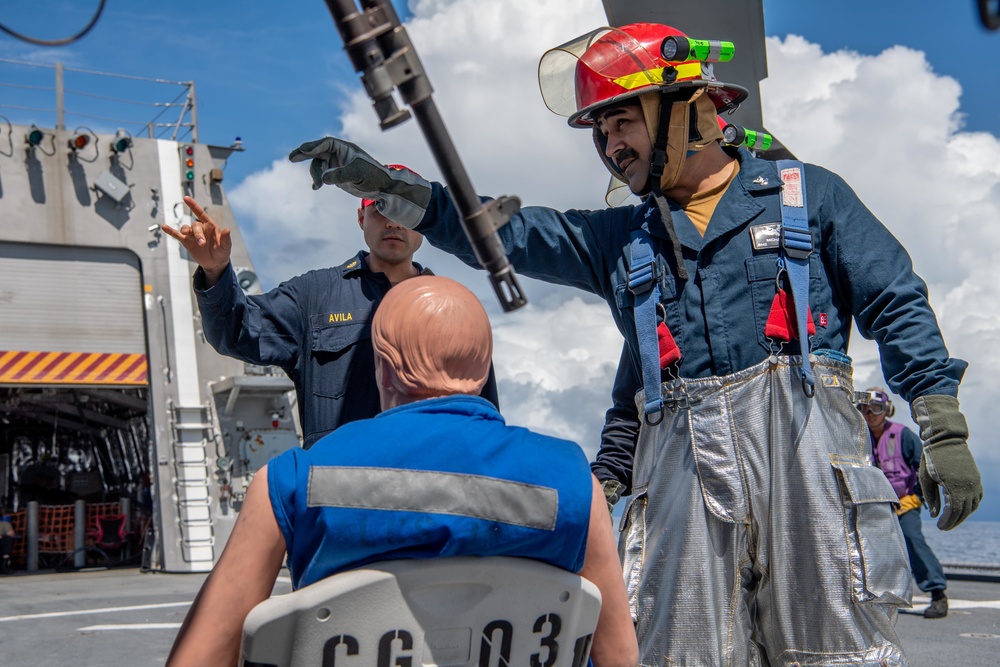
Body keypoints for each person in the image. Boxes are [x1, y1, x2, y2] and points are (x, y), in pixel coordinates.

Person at [288, 22, 983, 666]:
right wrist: (390, 188)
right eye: (601, 130)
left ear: (690, 109)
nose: (611, 144)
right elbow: (505, 235)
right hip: (684, 487)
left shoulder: (809, 198)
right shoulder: (625, 242)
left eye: (624, 120)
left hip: (810, 482)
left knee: (837, 653)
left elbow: (895, 298)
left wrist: (940, 421)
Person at [166, 275, 637, 667]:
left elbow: (200, 657)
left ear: (385, 369)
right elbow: (619, 657)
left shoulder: (291, 480)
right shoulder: (575, 483)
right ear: (482, 370)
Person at [160, 168, 499, 449]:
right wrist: (215, 272)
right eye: (382, 207)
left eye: (407, 212)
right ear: (361, 216)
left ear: (424, 224)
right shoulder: (314, 295)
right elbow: (235, 332)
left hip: (432, 500)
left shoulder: (455, 309)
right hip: (337, 500)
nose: (394, 222)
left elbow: (486, 419)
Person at [860, 387, 949, 619]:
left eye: (876, 409)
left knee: (912, 539)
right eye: (865, 409)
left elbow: (924, 468)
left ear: (886, 410)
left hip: (904, 503)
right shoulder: (857, 439)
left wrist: (917, 497)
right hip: (872, 507)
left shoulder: (903, 435)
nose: (870, 414)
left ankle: (937, 592)